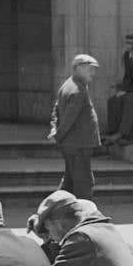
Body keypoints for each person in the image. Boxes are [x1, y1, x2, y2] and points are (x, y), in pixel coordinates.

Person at [48, 53, 101, 199]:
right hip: (78, 144)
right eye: (89, 69)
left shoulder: (67, 85)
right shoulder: (78, 89)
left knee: (69, 183)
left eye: (94, 70)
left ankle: (54, 210)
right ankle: (86, 216)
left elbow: (56, 111)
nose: (93, 73)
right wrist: (57, 135)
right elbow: (68, 119)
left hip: (73, 144)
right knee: (84, 184)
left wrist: (54, 130)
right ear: (77, 68)